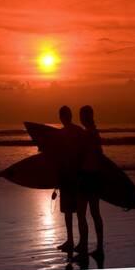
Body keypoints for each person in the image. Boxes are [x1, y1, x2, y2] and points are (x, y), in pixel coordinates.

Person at [75, 105, 104, 262]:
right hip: (95, 176)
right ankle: (98, 247)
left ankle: (84, 245)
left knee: (82, 213)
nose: (80, 118)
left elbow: (81, 156)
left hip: (87, 176)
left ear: (85, 117)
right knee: (94, 213)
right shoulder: (95, 133)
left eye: (81, 115)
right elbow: (100, 156)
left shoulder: (88, 134)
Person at [55, 105, 86, 254]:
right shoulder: (79, 131)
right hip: (76, 176)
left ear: (63, 117)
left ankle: (74, 241)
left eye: (63, 116)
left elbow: (58, 156)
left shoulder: (62, 134)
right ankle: (76, 241)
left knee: (72, 212)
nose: (63, 118)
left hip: (70, 177)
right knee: (76, 212)